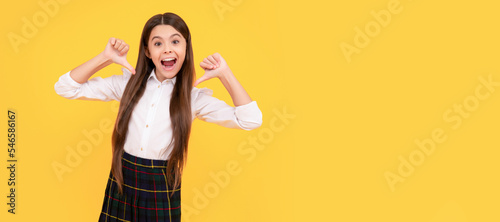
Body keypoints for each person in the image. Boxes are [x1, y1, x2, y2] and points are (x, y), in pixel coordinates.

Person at [54, 12, 262, 222]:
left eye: (175, 41)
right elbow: (65, 88)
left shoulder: (193, 98)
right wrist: (105, 58)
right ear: (147, 51)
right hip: (122, 180)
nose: (168, 49)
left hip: (161, 186)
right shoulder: (128, 85)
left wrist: (225, 74)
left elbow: (251, 120)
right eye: (158, 43)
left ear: (185, 48)